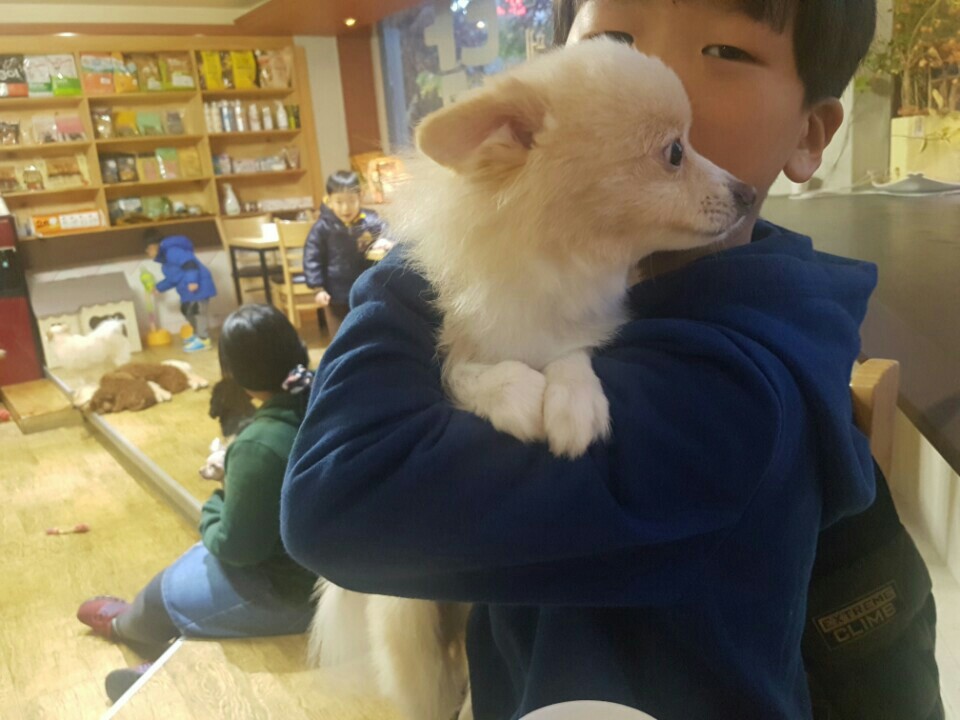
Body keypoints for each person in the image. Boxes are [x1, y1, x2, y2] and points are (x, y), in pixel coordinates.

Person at [279, 2, 934, 719]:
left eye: (725, 50)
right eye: (612, 38)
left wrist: (442, 241)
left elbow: (332, 501)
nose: (654, 67)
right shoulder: (626, 290)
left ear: (809, 135)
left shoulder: (729, 396)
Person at [77, 305, 317, 703]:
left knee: (167, 589)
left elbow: (238, 547)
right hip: (339, 576)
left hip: (295, 593)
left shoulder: (259, 444)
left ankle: (129, 634)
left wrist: (217, 502)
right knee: (192, 575)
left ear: (235, 374)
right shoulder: (324, 398)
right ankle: (160, 653)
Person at [303, 170, 389, 338]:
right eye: (339, 202)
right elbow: (312, 258)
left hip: (366, 291)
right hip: (335, 294)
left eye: (351, 201)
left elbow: (387, 231)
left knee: (368, 332)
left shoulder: (370, 220)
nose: (345, 208)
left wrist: (385, 240)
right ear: (329, 200)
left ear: (360, 197)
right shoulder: (323, 227)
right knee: (340, 335)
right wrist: (318, 289)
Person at [144, 230, 217, 353]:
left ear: (154, 247)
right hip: (188, 292)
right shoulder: (166, 264)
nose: (147, 253)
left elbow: (190, 263)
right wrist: (159, 287)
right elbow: (173, 279)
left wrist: (192, 281)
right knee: (188, 312)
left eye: (148, 249)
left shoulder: (173, 252)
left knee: (198, 312)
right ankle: (197, 334)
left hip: (199, 286)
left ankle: (203, 339)